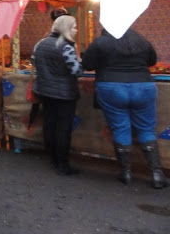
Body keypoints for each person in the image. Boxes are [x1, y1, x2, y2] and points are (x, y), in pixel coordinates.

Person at [82, 28, 167, 189]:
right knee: (147, 129)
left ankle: (126, 173)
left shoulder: (101, 42)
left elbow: (87, 64)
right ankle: (156, 174)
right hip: (143, 86)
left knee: (120, 128)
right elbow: (152, 61)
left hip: (111, 87)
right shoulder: (141, 40)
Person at [32, 15, 83, 175]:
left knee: (50, 124)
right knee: (63, 128)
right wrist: (81, 61)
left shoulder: (40, 44)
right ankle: (62, 163)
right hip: (64, 94)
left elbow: (34, 62)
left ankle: (53, 157)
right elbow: (76, 71)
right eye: (74, 27)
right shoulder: (66, 47)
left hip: (45, 91)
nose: (76, 30)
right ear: (66, 28)